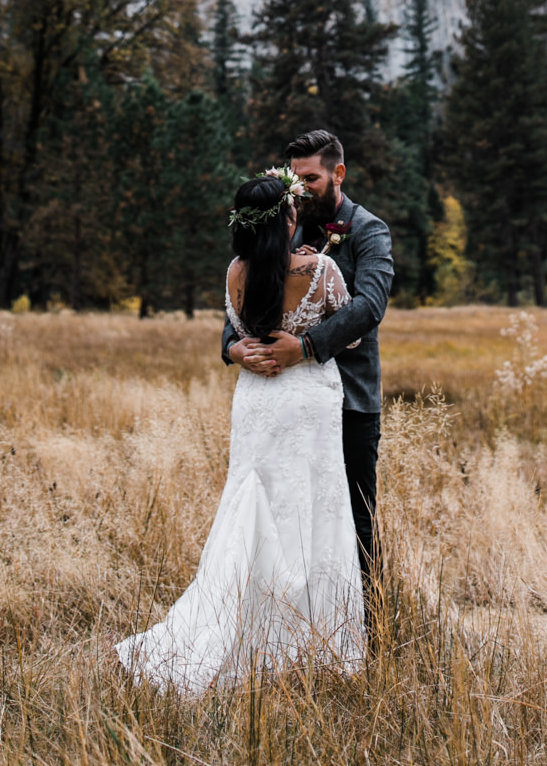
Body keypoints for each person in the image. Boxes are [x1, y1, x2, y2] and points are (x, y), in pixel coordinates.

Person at [115, 165, 366, 692]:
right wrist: (310, 337)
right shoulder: (320, 270)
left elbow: (237, 328)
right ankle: (310, 642)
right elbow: (354, 338)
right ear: (289, 216)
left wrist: (242, 346)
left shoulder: (235, 270)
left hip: (256, 400)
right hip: (305, 397)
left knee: (253, 501)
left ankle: (240, 627)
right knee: (313, 508)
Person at [223, 128, 394, 594]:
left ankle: (364, 630)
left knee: (353, 518)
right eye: (294, 178)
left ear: (338, 173)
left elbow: (369, 306)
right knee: (285, 514)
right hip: (286, 404)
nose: (300, 188)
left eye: (311, 178)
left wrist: (306, 347)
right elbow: (244, 296)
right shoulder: (282, 224)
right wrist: (232, 347)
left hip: (351, 400)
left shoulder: (368, 230)